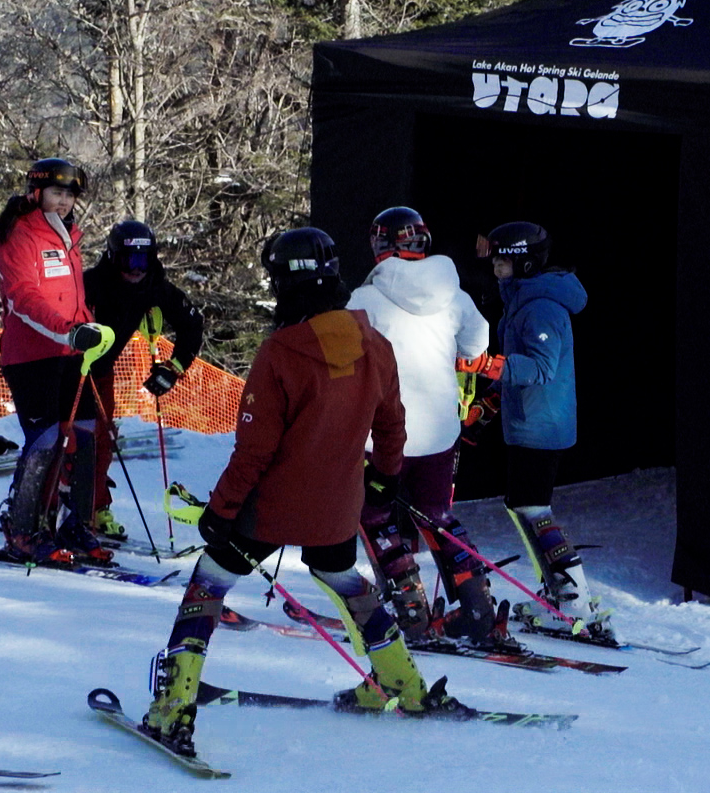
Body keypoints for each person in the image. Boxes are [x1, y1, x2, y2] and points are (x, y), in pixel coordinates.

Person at [139, 227, 465, 758]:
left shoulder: (280, 353)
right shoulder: (373, 341)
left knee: (210, 581)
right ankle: (405, 685)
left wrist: (220, 512)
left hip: (268, 510)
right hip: (337, 509)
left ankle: (172, 706)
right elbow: (392, 422)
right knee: (347, 583)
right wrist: (383, 476)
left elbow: (253, 453)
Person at [345, 207, 501, 645]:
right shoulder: (454, 293)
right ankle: (477, 606)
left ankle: (410, 612)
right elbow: (477, 344)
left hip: (385, 434)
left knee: (375, 516)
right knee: (437, 515)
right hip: (439, 431)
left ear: (379, 244)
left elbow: (342, 359)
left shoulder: (364, 300)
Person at [483, 221, 609, 640]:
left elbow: (540, 368)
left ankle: (574, 599)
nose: (495, 268)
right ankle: (558, 592)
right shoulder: (522, 297)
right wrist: (489, 397)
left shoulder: (541, 307)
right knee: (522, 504)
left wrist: (490, 367)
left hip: (542, 424)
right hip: (527, 420)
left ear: (524, 264)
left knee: (533, 508)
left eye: (502, 261)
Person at [0, 158, 113, 562]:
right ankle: (23, 530)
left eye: (69, 195)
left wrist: (88, 327)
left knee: (86, 433)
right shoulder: (20, 234)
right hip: (32, 355)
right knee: (45, 439)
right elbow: (23, 297)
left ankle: (76, 523)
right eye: (57, 193)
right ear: (37, 192)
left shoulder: (67, 236)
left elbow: (72, 298)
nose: (63, 202)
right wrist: (66, 328)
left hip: (72, 351)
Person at [79, 219, 205, 541]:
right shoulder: (91, 283)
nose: (136, 269)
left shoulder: (155, 286)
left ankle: (93, 509)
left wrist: (172, 368)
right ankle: (48, 505)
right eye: (128, 260)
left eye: (143, 260)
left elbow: (192, 325)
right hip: (69, 368)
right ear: (112, 256)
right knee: (68, 438)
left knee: (101, 439)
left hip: (102, 371)